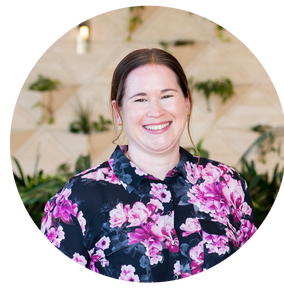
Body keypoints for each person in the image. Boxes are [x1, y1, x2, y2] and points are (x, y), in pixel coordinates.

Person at [39, 48, 259, 286]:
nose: (156, 111)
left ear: (186, 102)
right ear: (119, 111)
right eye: (140, 99)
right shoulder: (78, 197)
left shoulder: (227, 183)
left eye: (166, 96)